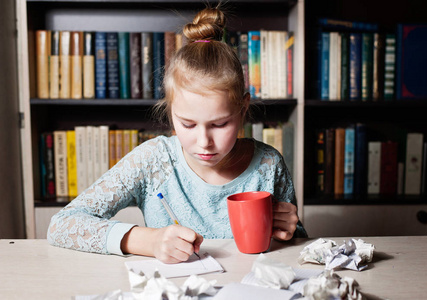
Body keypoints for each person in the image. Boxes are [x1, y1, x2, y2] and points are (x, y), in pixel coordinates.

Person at [47, 6, 307, 264]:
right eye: (188, 124)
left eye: (220, 124)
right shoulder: (152, 160)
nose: (204, 141)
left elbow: (299, 248)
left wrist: (289, 230)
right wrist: (148, 241)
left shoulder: (268, 163)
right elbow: (62, 224)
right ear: (171, 113)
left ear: (243, 108)